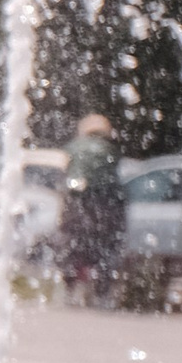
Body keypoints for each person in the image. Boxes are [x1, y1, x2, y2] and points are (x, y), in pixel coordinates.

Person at [62, 113, 127, 307]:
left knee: (72, 248)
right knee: (105, 251)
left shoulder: (72, 147)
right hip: (106, 206)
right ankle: (102, 295)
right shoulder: (111, 150)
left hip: (77, 206)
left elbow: (67, 174)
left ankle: (70, 291)